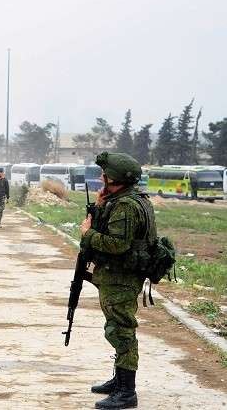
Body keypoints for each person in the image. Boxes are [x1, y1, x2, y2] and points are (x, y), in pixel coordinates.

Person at [79, 152, 155, 410]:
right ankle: (119, 381)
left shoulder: (125, 206)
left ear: (117, 179)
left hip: (121, 278)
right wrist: (100, 206)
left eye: (106, 175)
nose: (102, 177)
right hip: (118, 276)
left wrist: (88, 234)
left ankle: (127, 392)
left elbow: (117, 244)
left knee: (120, 331)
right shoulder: (127, 199)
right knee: (117, 328)